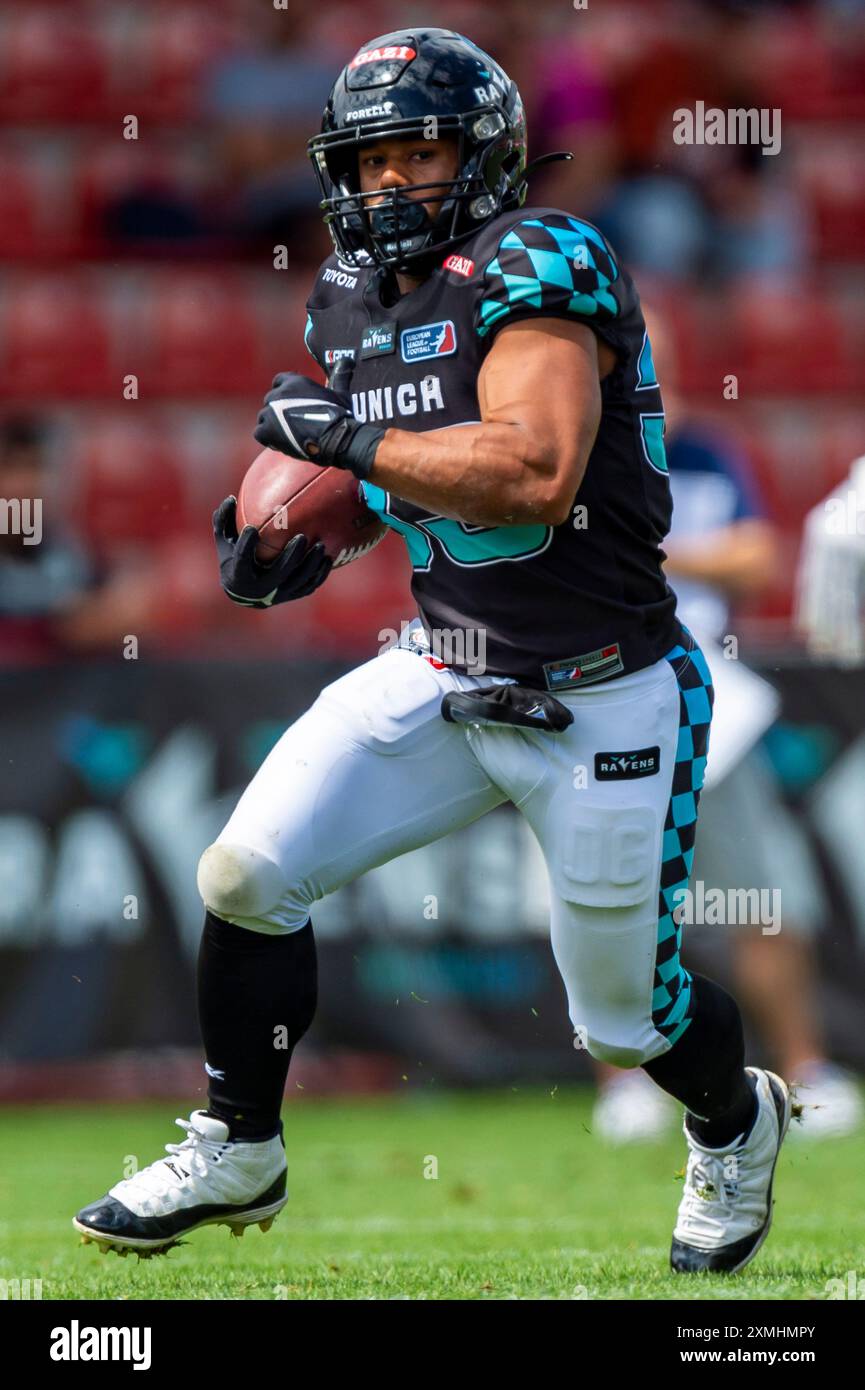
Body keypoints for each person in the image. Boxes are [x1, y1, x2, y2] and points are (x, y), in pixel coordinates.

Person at [73, 28, 792, 1275]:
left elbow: (530, 471)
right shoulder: (347, 299)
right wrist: (298, 542)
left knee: (623, 1024)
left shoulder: (538, 256)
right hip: (449, 663)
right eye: (372, 160)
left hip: (604, 693)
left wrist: (346, 444)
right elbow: (396, 479)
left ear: (487, 156)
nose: (392, 183)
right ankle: (241, 1139)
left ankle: (737, 1121)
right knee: (246, 871)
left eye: (421, 153)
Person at [592, 312, 864, 1143]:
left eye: (659, 361)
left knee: (766, 900)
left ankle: (803, 1068)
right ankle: (624, 1081)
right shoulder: (571, 450)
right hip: (599, 698)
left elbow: (754, 558)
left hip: (711, 700)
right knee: (605, 901)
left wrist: (650, 552)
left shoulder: (706, 453)